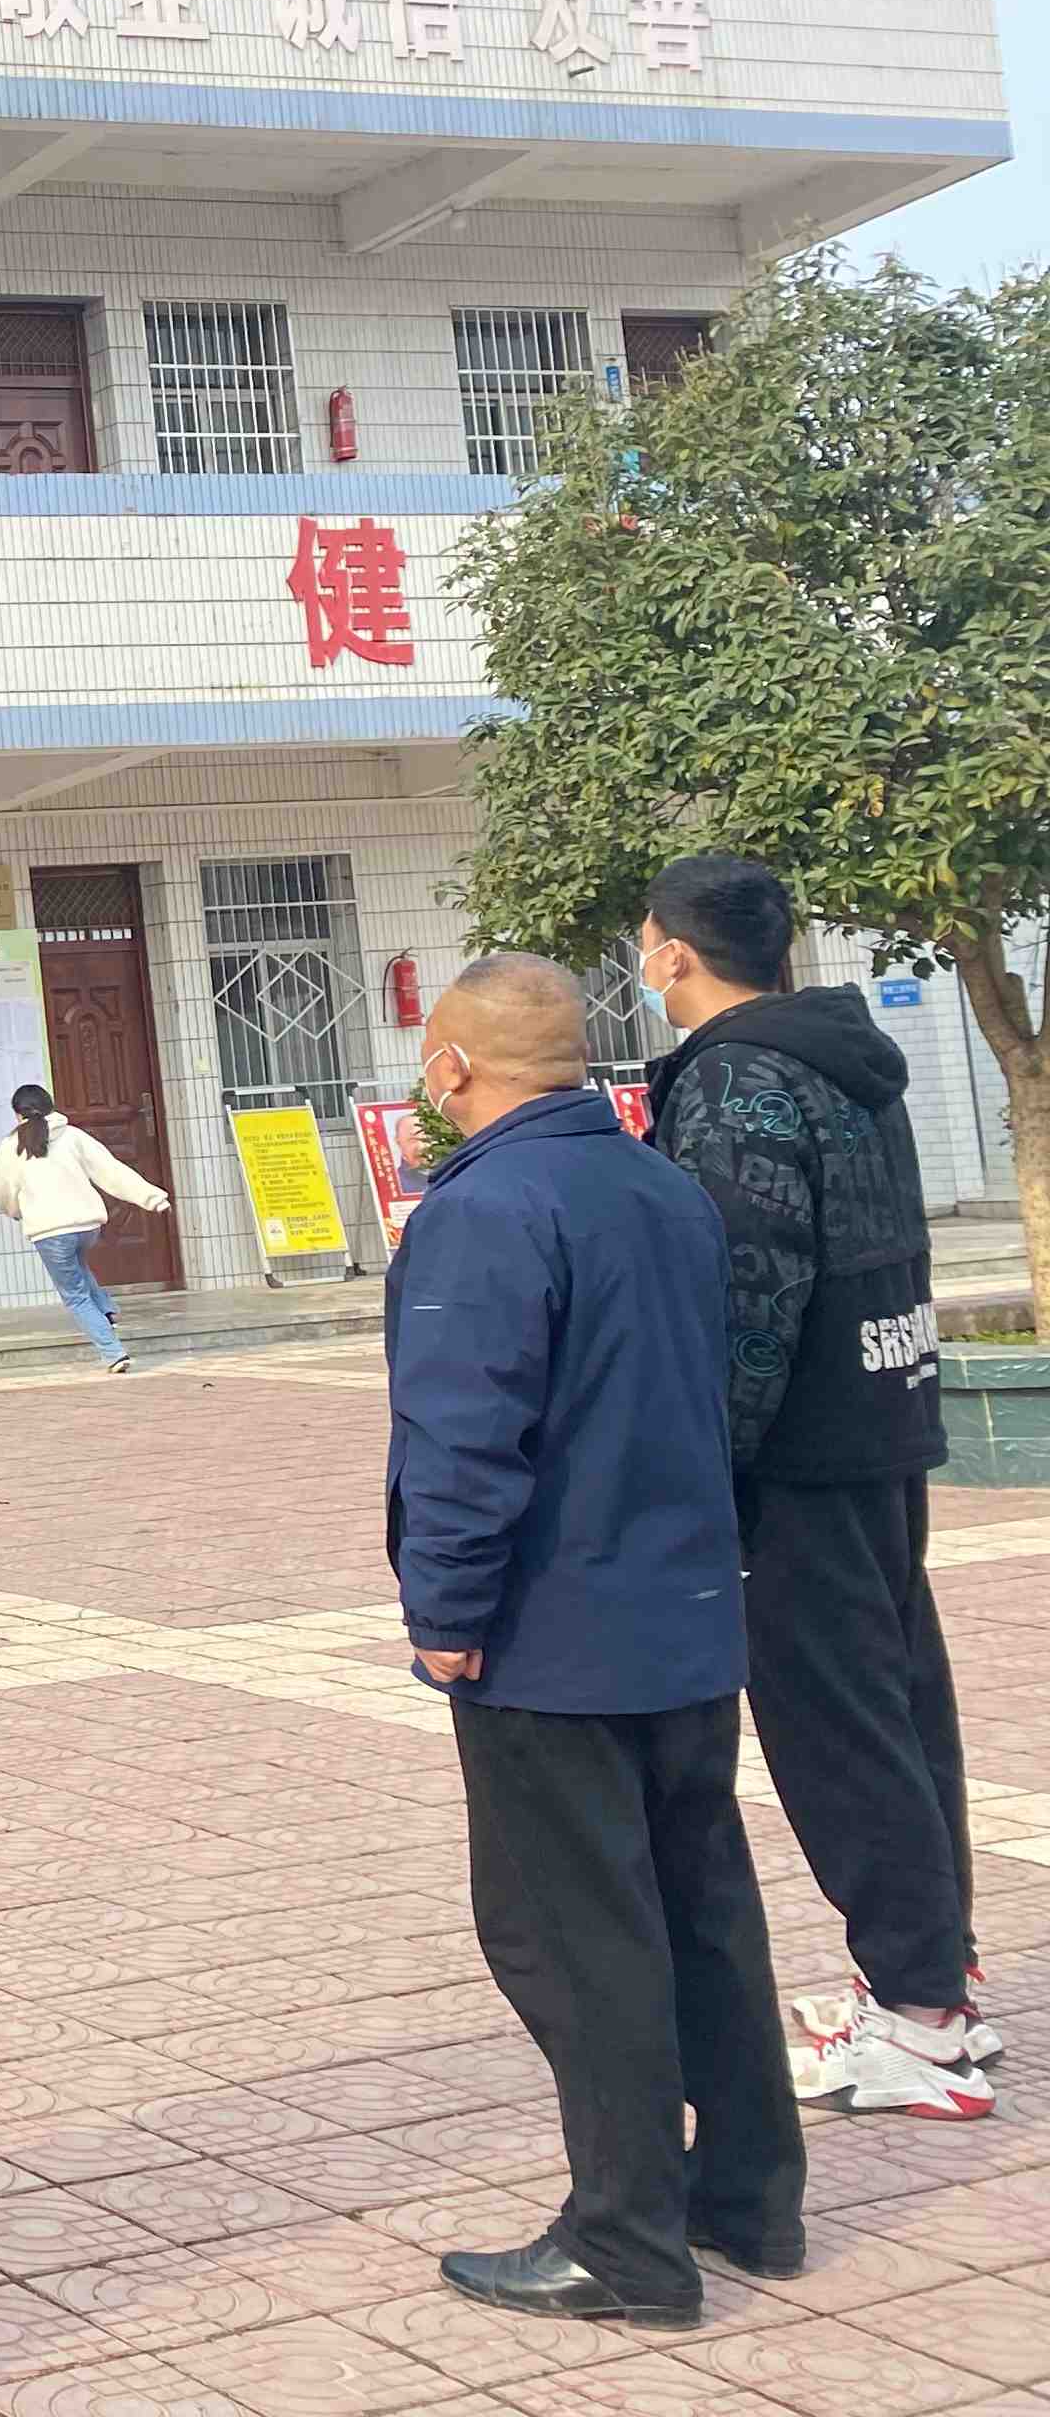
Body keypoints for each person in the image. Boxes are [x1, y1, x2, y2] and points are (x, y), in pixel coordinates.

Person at [388, 952, 805, 2324]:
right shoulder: (662, 1186)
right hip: (680, 1614)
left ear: (453, 1066)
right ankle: (748, 2196)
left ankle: (626, 2241)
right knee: (701, 1909)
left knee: (571, 1935)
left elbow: (465, 1430)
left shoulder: (485, 1207)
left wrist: (446, 1612)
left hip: (549, 1634)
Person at [638, 853, 996, 2118]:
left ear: (676, 954)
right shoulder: (843, 1057)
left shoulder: (736, 1075)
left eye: (646, 942)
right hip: (881, 1417)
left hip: (796, 1456)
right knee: (899, 1709)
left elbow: (750, 1288)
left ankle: (922, 2024)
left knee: (838, 1733)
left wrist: (714, 1458)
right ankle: (934, 1973)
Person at [0, 1081, 172, 1369]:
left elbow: (4, 1192)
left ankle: (114, 1353)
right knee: (77, 1267)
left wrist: (14, 1212)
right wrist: (153, 1199)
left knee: (74, 1296)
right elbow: (111, 1170)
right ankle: (105, 1310)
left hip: (49, 1232)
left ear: (17, 1114)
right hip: (87, 1227)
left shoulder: (11, 1147)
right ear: (51, 1107)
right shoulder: (73, 1136)